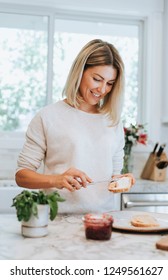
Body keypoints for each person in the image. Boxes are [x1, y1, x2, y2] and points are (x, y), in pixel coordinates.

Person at [15, 39, 135, 213]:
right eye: (97, 79)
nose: (102, 89)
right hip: (59, 222)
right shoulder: (48, 116)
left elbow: (113, 176)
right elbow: (21, 176)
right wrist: (57, 180)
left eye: (109, 83)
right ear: (80, 72)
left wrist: (123, 180)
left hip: (103, 220)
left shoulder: (112, 121)